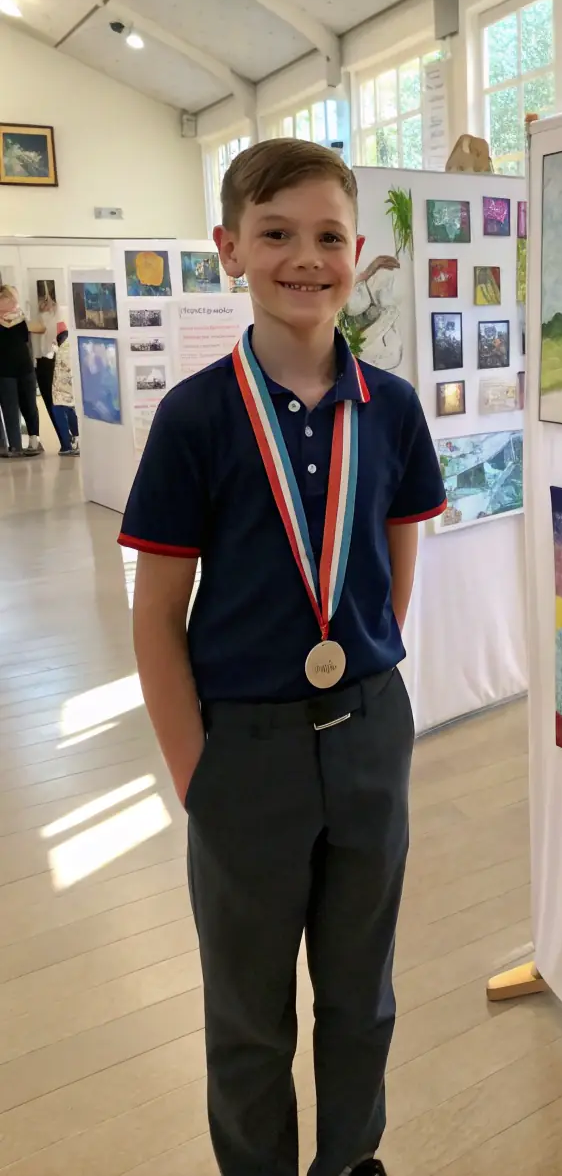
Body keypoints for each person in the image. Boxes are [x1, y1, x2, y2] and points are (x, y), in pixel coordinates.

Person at [118, 140, 446, 1176]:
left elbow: (396, 562)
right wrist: (196, 772)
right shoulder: (196, 415)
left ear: (357, 253)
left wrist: (367, 675)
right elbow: (157, 611)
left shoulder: (388, 406)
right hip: (244, 750)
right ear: (230, 250)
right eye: (276, 235)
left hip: (366, 732)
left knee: (362, 993)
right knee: (250, 1011)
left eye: (328, 237)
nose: (305, 259)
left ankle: (351, 1161)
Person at [0, 286, 43, 457]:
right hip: (5, 371)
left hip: (24, 367)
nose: (7, 301)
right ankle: (15, 446)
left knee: (29, 405)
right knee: (10, 409)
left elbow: (29, 337)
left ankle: (34, 441)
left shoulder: (22, 317)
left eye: (8, 297)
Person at [32, 292, 60, 437]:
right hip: (43, 360)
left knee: (54, 401)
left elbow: (47, 340)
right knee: (51, 401)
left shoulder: (57, 316)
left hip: (50, 360)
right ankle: (66, 440)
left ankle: (67, 440)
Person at [51, 323, 80, 456]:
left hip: (61, 387)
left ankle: (67, 446)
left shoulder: (62, 348)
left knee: (58, 408)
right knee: (69, 407)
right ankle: (78, 438)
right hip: (73, 386)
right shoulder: (71, 343)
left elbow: (47, 353)